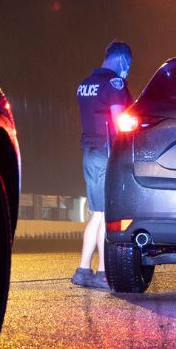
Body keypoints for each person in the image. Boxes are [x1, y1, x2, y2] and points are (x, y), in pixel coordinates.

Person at [71, 40, 133, 289]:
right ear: (121, 61)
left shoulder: (85, 84)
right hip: (107, 151)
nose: (127, 70)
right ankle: (104, 273)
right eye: (128, 65)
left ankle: (83, 269)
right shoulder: (114, 84)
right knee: (108, 213)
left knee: (97, 212)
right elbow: (120, 123)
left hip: (88, 151)